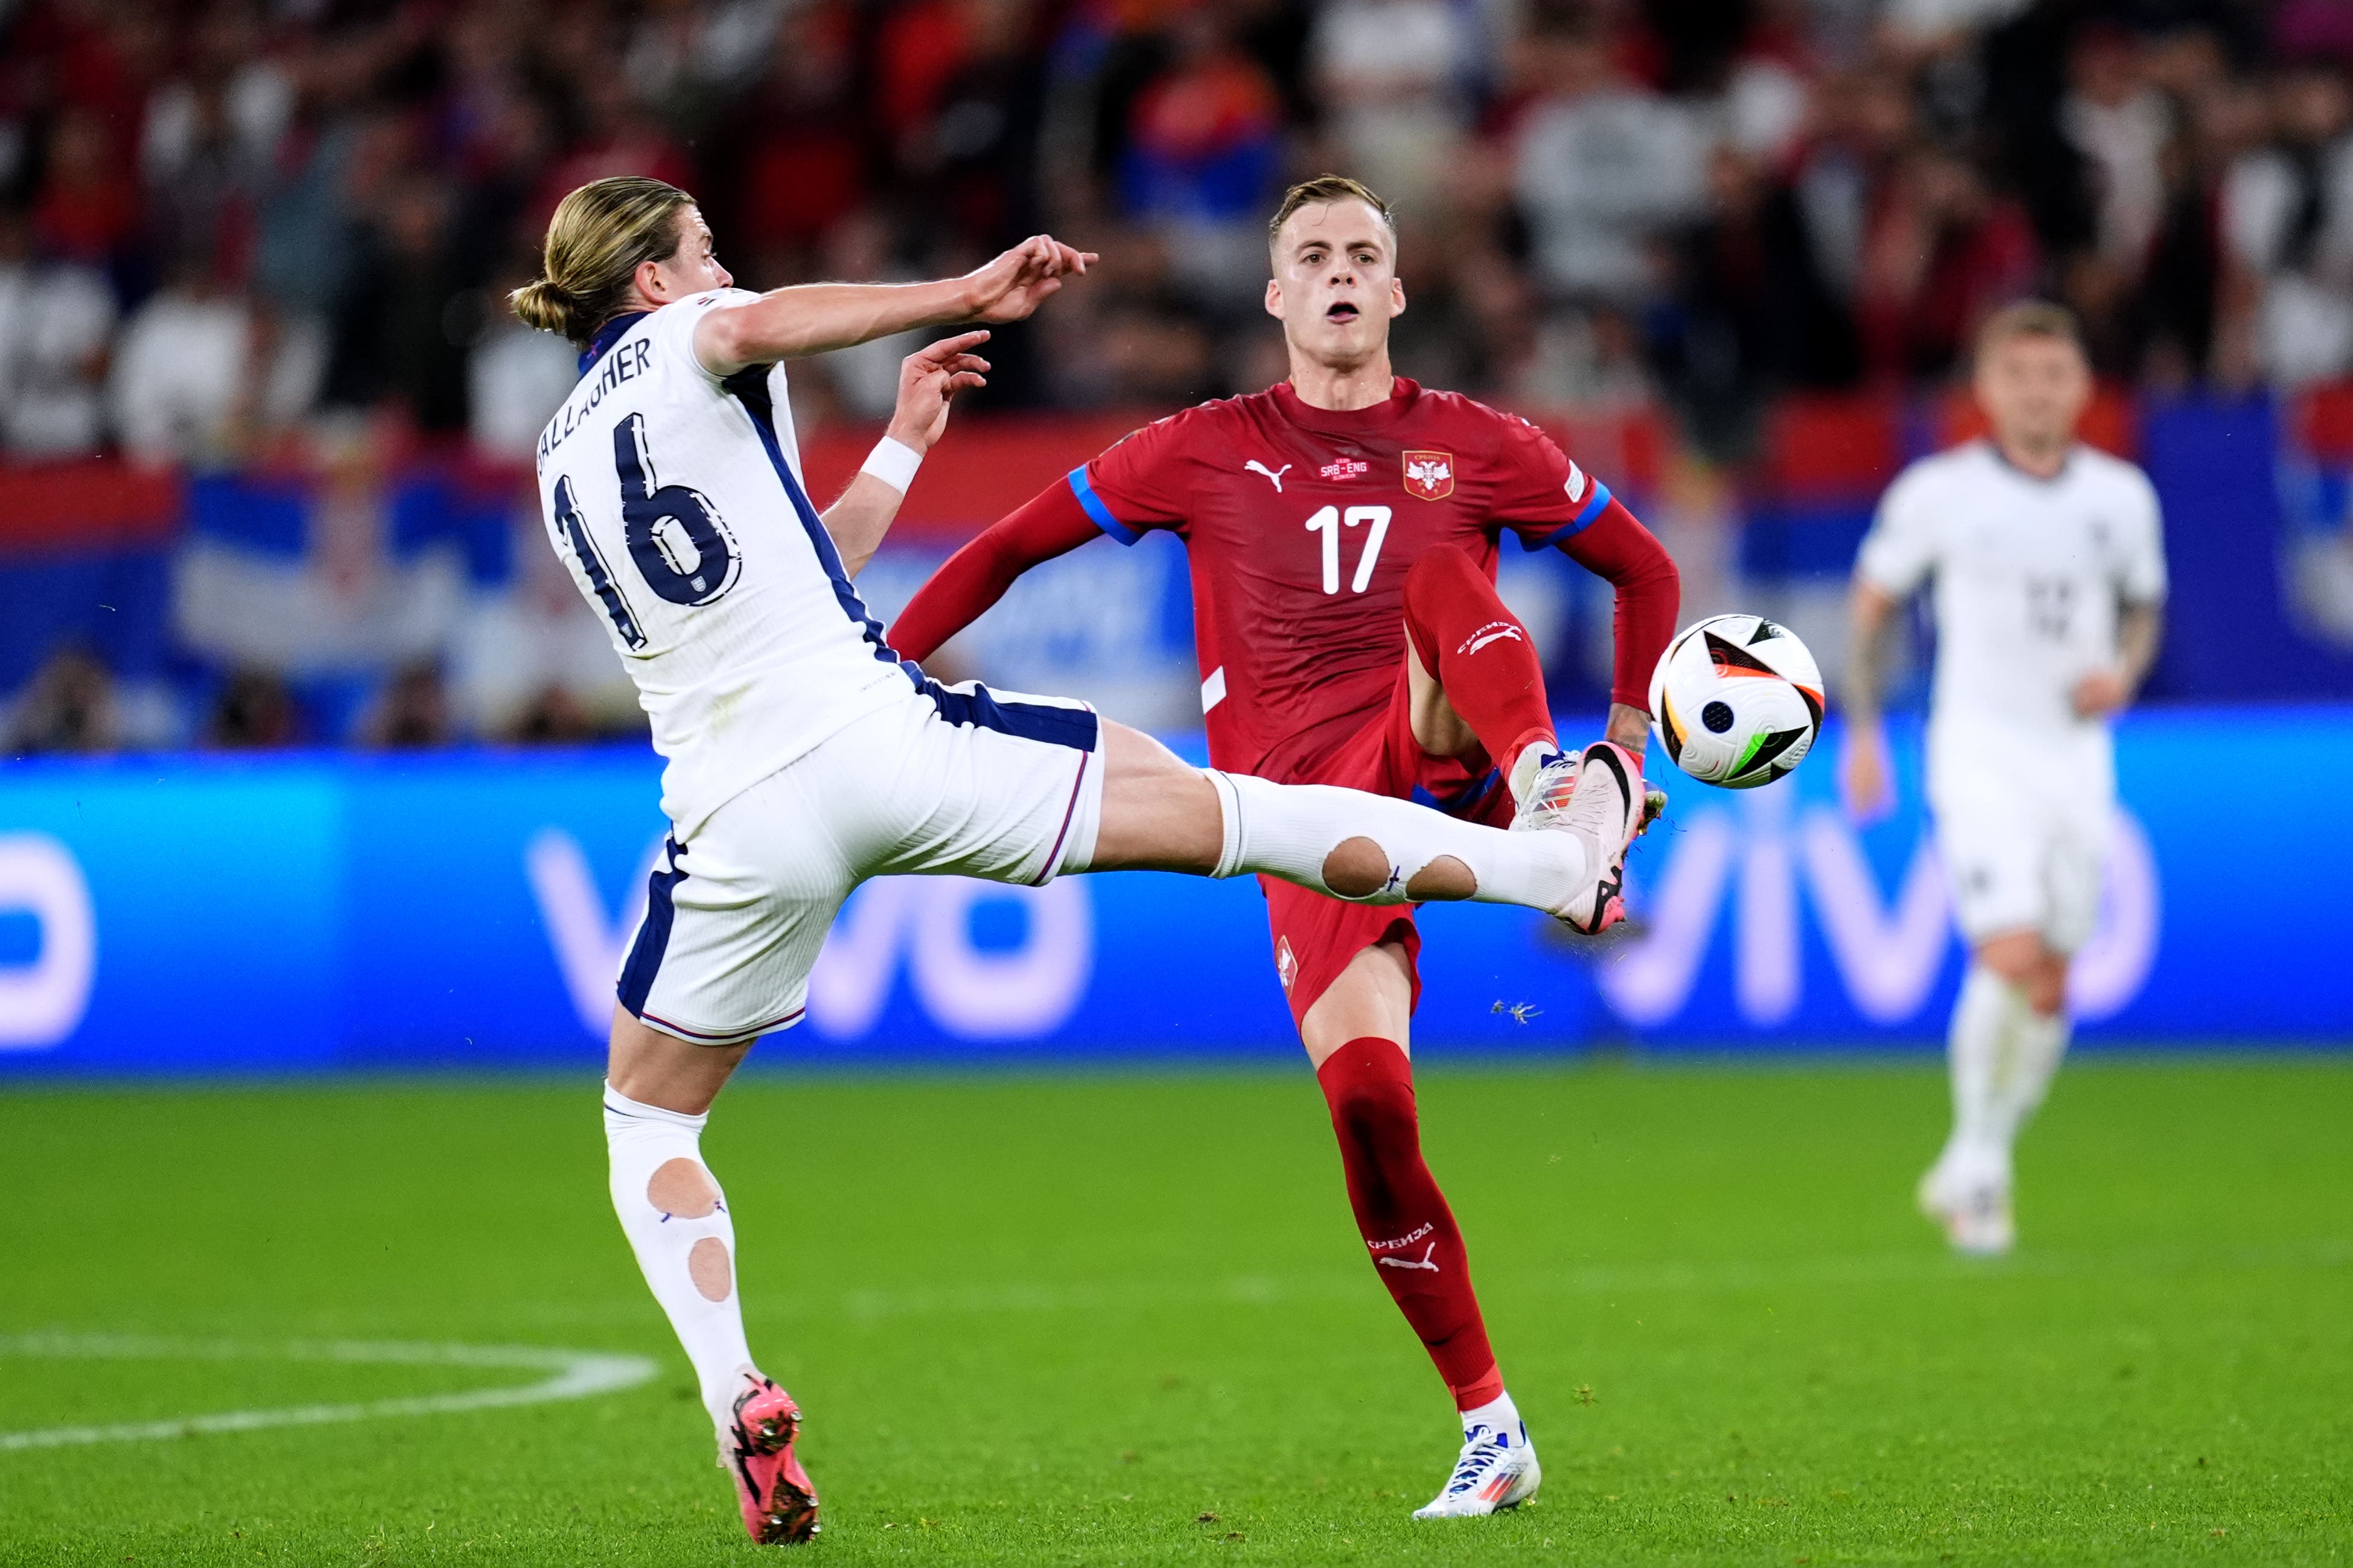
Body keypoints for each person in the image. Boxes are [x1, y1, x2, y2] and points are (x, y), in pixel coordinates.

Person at [509, 175, 1649, 1546]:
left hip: (734, 812)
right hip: (883, 740)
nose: (727, 267)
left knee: (647, 1117)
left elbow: (794, 576)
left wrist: (900, 447)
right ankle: (1547, 866)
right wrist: (960, 291)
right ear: (650, 281)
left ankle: (730, 1387)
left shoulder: (560, 456)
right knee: (1229, 816)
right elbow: (762, 329)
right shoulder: (695, 332)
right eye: (706, 252)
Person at [890, 175, 1680, 1519]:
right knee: (1370, 1112)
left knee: (1443, 581)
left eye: (1363, 255)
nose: (1338, 273)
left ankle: (1556, 810)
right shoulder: (1201, 445)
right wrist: (879, 678)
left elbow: (1646, 573)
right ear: (1273, 295)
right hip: (1300, 821)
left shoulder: (1478, 441)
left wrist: (1618, 751)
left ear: (1396, 290)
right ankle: (1495, 1428)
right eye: (1311, 254)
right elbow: (1011, 546)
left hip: (1452, 750)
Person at [1842, 301, 2166, 1257]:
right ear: (1985, 390)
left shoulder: (2121, 497)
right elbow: (1872, 606)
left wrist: (2128, 674)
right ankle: (1980, 1169)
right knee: (2012, 952)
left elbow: (2144, 606)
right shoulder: (1938, 493)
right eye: (2018, 375)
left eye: (2055, 375)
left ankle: (1975, 1157)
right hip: (1977, 752)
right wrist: (1862, 731)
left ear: (2081, 389)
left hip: (2075, 759)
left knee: (2055, 977)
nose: (2037, 392)